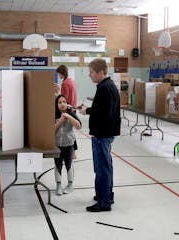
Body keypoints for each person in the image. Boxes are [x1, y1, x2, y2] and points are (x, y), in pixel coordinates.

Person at [79, 58, 121, 212]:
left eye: (91, 72)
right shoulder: (107, 86)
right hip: (106, 133)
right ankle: (106, 194)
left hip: (102, 134)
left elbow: (104, 113)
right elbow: (104, 109)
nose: (89, 75)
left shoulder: (104, 88)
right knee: (105, 166)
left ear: (100, 72)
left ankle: (104, 202)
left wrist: (87, 111)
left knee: (102, 168)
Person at [54, 94, 81, 195]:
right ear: (56, 105)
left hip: (69, 145)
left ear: (67, 104)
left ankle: (70, 185)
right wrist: (60, 121)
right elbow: (50, 130)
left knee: (69, 165)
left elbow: (78, 126)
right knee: (58, 165)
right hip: (56, 146)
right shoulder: (54, 115)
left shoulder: (71, 114)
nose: (62, 104)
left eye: (64, 102)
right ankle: (58, 186)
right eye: (59, 102)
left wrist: (69, 116)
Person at [55, 65, 78, 158]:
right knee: (70, 131)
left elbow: (63, 100)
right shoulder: (71, 80)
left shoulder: (65, 84)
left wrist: (56, 92)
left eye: (59, 73)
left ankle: (72, 152)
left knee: (67, 132)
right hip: (73, 108)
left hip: (68, 110)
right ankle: (73, 152)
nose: (58, 75)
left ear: (62, 73)